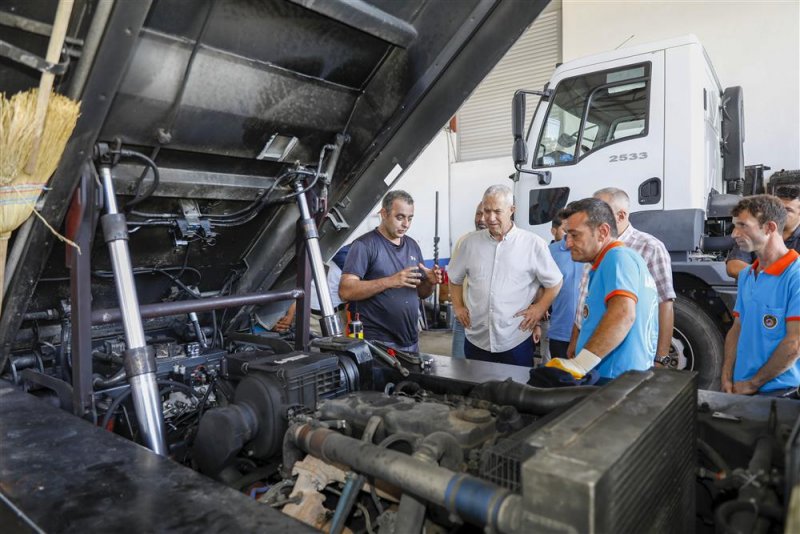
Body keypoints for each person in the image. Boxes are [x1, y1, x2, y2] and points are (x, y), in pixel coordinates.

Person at [448, 184, 562, 366]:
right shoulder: (469, 244)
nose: (490, 218)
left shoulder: (533, 244)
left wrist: (540, 308)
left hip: (515, 339)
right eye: (486, 211)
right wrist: (459, 307)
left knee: (515, 391)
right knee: (476, 390)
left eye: (497, 211)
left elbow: (555, 282)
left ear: (511, 210)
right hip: (477, 339)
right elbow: (454, 278)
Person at [547, 198, 659, 381]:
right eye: (567, 235)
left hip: (613, 380)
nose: (568, 243)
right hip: (621, 377)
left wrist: (580, 364)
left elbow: (623, 314)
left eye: (575, 235)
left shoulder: (617, 258)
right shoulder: (622, 260)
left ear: (602, 232)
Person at [569, 187, 675, 367]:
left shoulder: (633, 251)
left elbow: (660, 303)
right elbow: (586, 303)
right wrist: (577, 342)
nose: (569, 242)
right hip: (595, 352)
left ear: (620, 216)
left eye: (601, 211)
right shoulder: (595, 248)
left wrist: (661, 357)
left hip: (612, 363)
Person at [338, 190, 441, 352]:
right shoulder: (364, 246)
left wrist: (429, 281)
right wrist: (391, 281)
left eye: (410, 218)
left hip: (411, 341)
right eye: (400, 217)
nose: (406, 224)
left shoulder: (413, 246)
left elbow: (422, 293)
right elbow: (345, 291)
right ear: (384, 213)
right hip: (378, 343)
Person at [721, 195, 800, 396]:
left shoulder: (795, 275)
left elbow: (795, 342)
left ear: (769, 228)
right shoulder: (748, 275)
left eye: (743, 226)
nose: (734, 234)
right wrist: (726, 375)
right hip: (742, 389)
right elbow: (737, 328)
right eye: (734, 226)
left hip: (781, 393)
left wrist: (753, 384)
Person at [726, 185, 800, 280]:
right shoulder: (756, 232)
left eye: (787, 210)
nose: (780, 213)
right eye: (778, 209)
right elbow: (733, 267)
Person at [450, 201, 487, 358]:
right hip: (465, 320)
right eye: (479, 214)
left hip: (494, 322)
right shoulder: (464, 242)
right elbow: (454, 278)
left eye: (487, 213)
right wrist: (458, 307)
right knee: (459, 368)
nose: (482, 219)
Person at [546, 211, 584, 359]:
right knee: (560, 379)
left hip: (589, 334)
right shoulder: (550, 252)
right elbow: (541, 285)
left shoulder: (595, 251)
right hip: (560, 332)